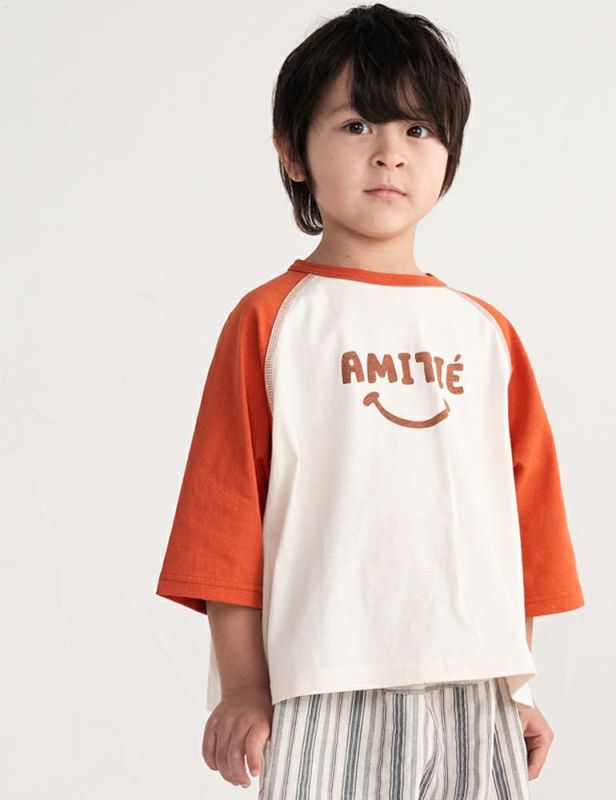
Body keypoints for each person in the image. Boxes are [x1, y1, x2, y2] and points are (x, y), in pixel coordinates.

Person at [155, 4, 584, 797]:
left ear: (449, 154)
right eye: (357, 125)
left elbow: (521, 530)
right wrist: (244, 686)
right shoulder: (272, 322)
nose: (390, 152)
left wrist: (516, 684)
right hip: (321, 683)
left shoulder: (484, 333)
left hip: (473, 691)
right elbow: (225, 518)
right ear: (293, 153)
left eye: (418, 129)